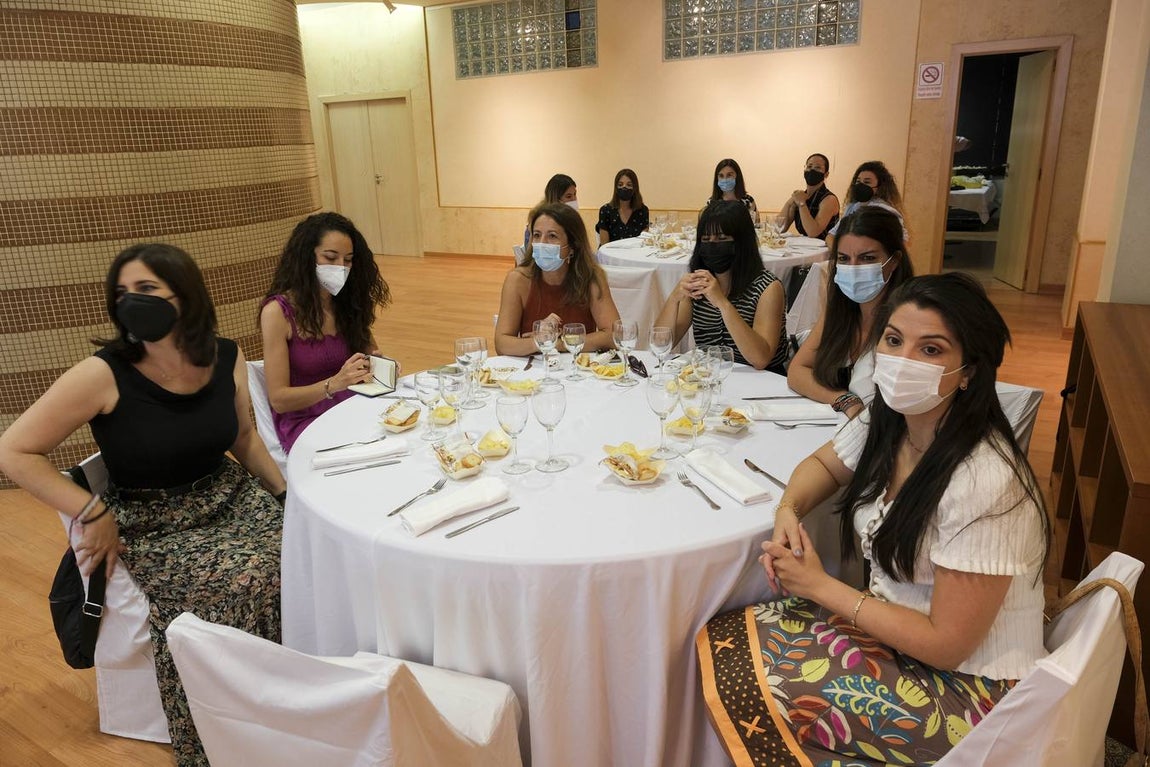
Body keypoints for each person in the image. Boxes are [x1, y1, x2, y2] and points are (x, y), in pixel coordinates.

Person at [698, 272, 1050, 765]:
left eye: (931, 350)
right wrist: (787, 508)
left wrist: (819, 586)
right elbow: (822, 465)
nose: (903, 361)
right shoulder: (888, 421)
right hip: (901, 637)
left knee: (746, 681)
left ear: (968, 370)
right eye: (894, 340)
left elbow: (947, 645)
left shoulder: (984, 478)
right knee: (722, 642)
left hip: (974, 690)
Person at [0, 243, 287, 766]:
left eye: (147, 288)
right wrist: (92, 512)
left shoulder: (224, 355)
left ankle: (296, 695)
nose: (132, 301)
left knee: (303, 551)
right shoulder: (103, 374)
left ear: (186, 294)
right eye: (122, 292)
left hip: (227, 494)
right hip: (156, 520)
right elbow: (14, 452)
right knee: (245, 578)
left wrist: (284, 496)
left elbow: (244, 438)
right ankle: (233, 722)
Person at [259, 212, 391, 453]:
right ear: (306, 257)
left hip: (352, 408)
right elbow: (279, 400)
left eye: (348, 260)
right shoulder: (278, 312)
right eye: (330, 257)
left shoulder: (346, 303)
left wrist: (382, 366)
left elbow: (369, 356)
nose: (340, 268)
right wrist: (334, 384)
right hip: (307, 421)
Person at [788, 206, 914, 416]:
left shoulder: (908, 322)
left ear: (894, 261)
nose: (854, 268)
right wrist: (844, 400)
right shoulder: (839, 310)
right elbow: (797, 372)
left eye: (868, 258)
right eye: (844, 259)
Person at [654, 200, 787, 372]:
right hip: (709, 376)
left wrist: (722, 303)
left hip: (764, 379)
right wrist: (674, 299)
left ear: (741, 243)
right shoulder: (698, 285)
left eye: (722, 239)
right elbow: (660, 344)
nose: (712, 245)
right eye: (706, 239)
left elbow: (760, 359)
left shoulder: (767, 287)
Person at [496, 201, 621, 356]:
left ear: (572, 246)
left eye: (552, 236)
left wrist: (557, 343)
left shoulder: (591, 278)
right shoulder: (518, 280)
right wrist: (539, 342)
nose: (542, 243)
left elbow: (614, 335)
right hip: (533, 367)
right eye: (537, 235)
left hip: (578, 366)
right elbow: (502, 344)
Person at [827, 160, 908, 246]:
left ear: (880, 187)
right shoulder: (852, 207)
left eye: (867, 182)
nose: (861, 185)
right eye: (858, 182)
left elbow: (901, 243)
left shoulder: (886, 211)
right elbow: (831, 236)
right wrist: (837, 251)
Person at [776, 152, 840, 239]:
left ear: (826, 174)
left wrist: (802, 204)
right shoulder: (800, 196)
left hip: (824, 246)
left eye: (817, 167)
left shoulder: (829, 199)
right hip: (803, 245)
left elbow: (813, 232)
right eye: (809, 166)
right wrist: (790, 202)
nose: (812, 170)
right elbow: (779, 228)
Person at [596, 168, 650, 245]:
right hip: (610, 252)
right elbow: (604, 244)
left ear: (635, 188)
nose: (624, 187)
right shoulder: (605, 211)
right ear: (616, 188)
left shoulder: (643, 210)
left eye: (629, 185)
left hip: (635, 251)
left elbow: (643, 241)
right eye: (620, 185)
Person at [525, 173, 578, 249]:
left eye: (575, 194)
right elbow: (530, 250)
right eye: (568, 196)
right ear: (556, 198)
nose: (574, 199)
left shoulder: (573, 219)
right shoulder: (539, 218)